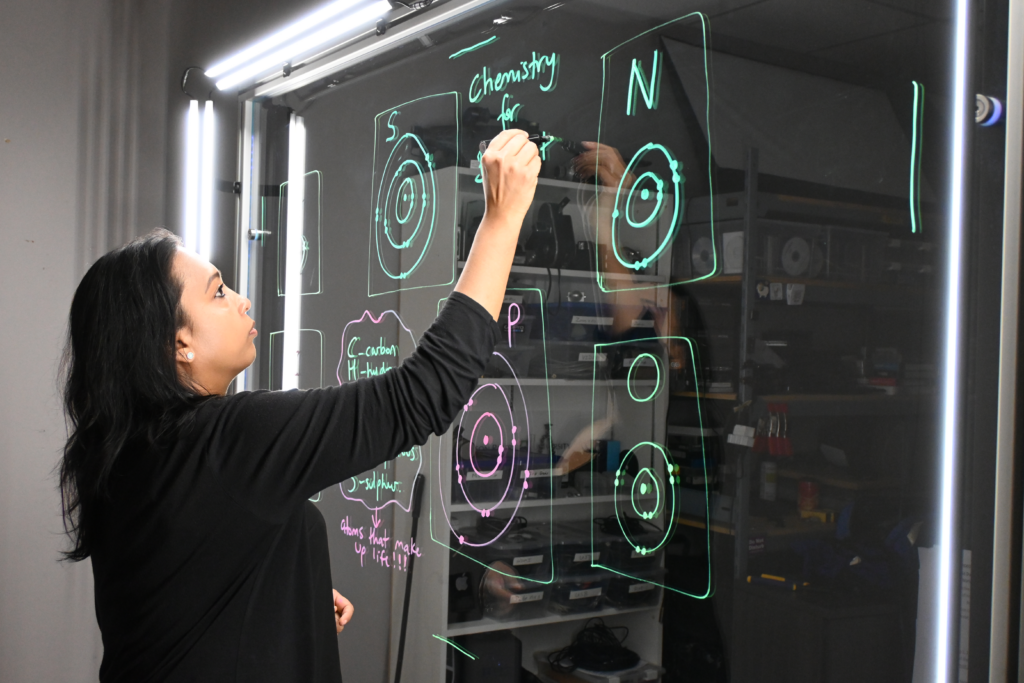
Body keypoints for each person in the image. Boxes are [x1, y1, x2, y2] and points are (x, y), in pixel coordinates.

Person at [58, 130, 541, 682]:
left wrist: (285, 596)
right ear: (177, 345)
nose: (240, 299)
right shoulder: (228, 441)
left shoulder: (127, 455)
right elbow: (423, 392)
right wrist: (501, 221)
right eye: (217, 292)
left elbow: (183, 588)